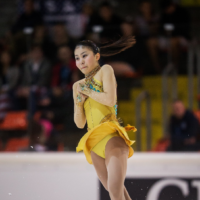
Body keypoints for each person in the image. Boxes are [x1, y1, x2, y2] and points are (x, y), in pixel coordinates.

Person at [73, 37, 137, 200]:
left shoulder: (105, 70)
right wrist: (79, 103)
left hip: (110, 136)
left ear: (97, 56)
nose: (81, 61)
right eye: (77, 58)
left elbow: (110, 100)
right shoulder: (77, 86)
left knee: (115, 191)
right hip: (94, 142)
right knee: (116, 191)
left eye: (84, 55)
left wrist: (88, 92)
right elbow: (80, 124)